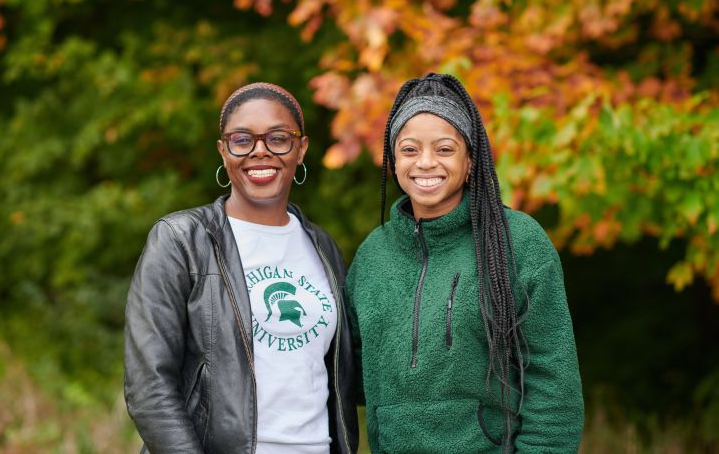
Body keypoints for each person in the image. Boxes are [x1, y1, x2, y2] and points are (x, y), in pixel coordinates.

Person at [345, 73, 584, 453]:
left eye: (444, 149)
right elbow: (348, 374)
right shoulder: (374, 254)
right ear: (392, 160)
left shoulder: (517, 242)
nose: (425, 163)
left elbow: (553, 384)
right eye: (409, 150)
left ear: (470, 159)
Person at [124, 82, 358, 454]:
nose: (260, 152)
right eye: (242, 140)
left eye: (278, 139)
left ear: (301, 149)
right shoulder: (181, 240)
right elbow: (148, 388)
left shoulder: (322, 247)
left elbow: (343, 375)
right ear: (223, 150)